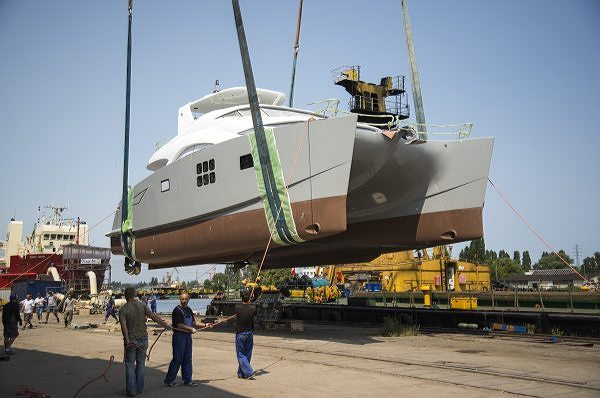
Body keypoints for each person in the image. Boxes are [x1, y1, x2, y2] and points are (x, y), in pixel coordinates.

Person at [119, 286, 171, 397]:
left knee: (130, 364)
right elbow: (153, 317)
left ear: (125, 296)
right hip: (143, 339)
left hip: (131, 341)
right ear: (135, 295)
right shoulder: (142, 305)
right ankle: (139, 389)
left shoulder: (123, 310)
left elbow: (124, 327)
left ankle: (132, 391)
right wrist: (165, 325)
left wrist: (127, 340)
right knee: (141, 364)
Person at [164, 292, 211, 387]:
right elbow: (179, 325)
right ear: (179, 299)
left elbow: (193, 322)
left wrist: (205, 325)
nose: (184, 301)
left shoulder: (189, 310)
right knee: (177, 359)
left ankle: (188, 380)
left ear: (189, 300)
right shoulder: (177, 311)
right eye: (182, 299)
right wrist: (190, 329)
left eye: (186, 299)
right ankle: (169, 380)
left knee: (187, 359)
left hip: (187, 337)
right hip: (179, 337)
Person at [234, 290, 257, 379]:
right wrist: (250, 303)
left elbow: (241, 308)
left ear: (241, 298)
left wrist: (248, 302)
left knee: (240, 354)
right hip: (249, 333)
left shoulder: (237, 307)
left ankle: (248, 371)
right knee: (247, 354)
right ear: (249, 298)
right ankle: (241, 373)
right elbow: (254, 312)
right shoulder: (253, 308)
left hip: (240, 334)